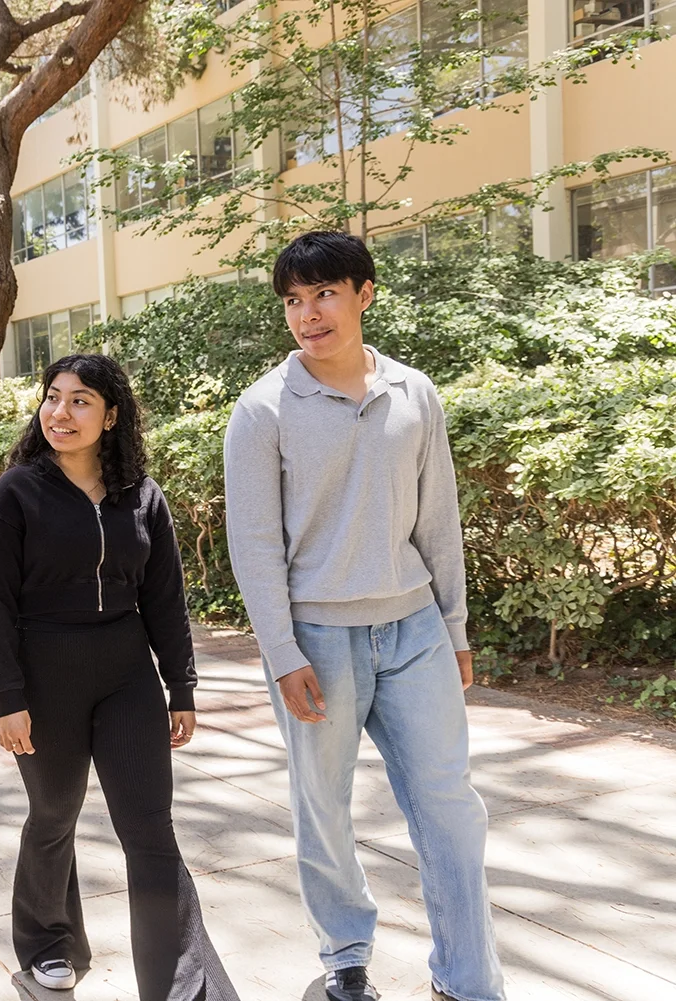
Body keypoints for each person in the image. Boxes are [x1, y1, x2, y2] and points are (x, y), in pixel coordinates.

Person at [223, 231, 505, 1001]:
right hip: (318, 639)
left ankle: (469, 977)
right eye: (292, 300)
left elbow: (438, 520)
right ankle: (345, 954)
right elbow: (253, 544)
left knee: (450, 801)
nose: (306, 314)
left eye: (322, 294)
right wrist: (281, 652)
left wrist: (455, 629)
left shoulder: (414, 392)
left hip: (413, 627)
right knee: (323, 805)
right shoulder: (262, 410)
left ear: (364, 293)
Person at [0, 354, 241, 1001]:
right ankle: (47, 944)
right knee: (54, 813)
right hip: (44, 681)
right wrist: (8, 698)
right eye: (53, 398)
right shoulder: (16, 494)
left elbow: (166, 599)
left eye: (80, 400)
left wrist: (181, 686)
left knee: (150, 828)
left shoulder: (141, 496)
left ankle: (179, 985)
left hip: (127, 679)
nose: (60, 412)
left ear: (111, 415)